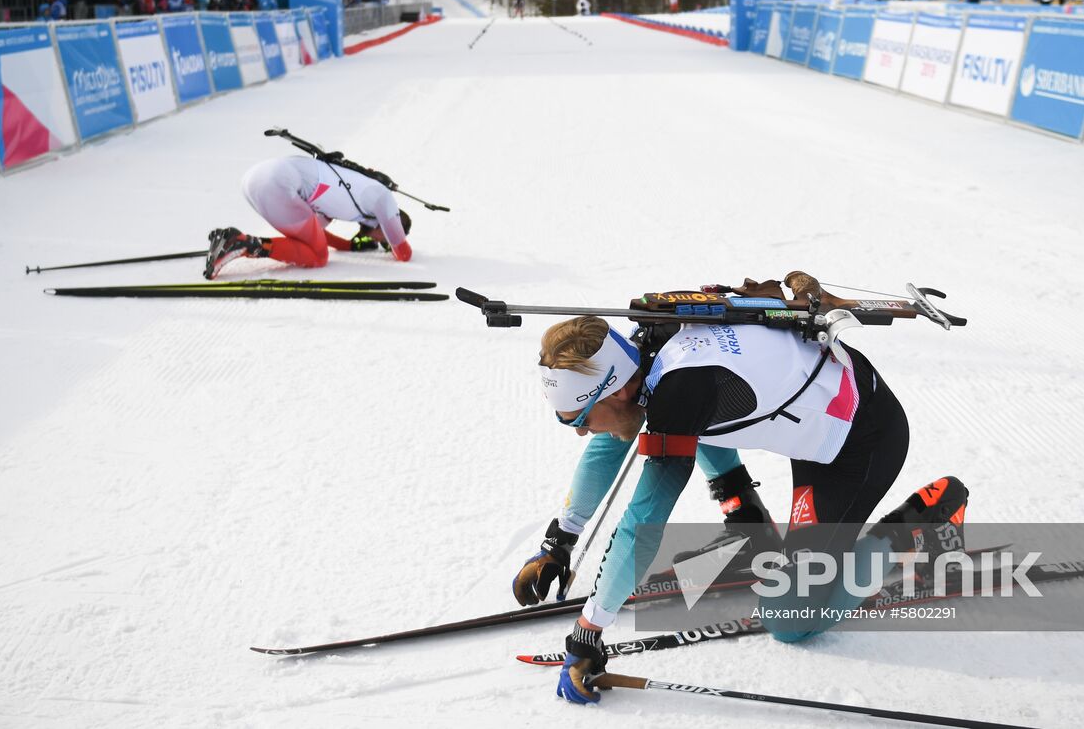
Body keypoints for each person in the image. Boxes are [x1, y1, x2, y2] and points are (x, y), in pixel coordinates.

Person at [514, 275, 969, 705]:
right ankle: (750, 523)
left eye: (578, 419)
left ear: (613, 392)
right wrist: (560, 541)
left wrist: (588, 631)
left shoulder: (680, 392)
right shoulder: (644, 352)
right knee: (670, 420)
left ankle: (916, 524)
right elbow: (607, 446)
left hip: (858, 447)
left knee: (791, 620)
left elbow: (642, 525)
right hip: (818, 419)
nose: (578, 433)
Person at [204, 154, 414, 279]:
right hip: (279, 183)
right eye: (384, 242)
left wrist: (348, 246)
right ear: (391, 225)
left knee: (310, 246)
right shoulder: (384, 198)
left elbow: (314, 232)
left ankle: (236, 242)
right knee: (319, 257)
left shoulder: (347, 202)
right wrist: (395, 244)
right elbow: (403, 253)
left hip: (254, 179)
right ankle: (242, 244)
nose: (380, 242)